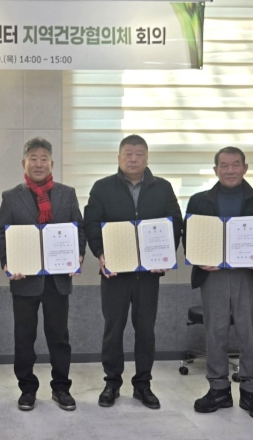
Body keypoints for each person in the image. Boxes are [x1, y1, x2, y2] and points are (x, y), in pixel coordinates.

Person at [84, 134, 182, 410]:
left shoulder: (162, 187)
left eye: (139, 154)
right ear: (119, 158)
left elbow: (175, 223)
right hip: (115, 274)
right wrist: (100, 254)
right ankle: (112, 383)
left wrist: (166, 254)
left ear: (147, 158)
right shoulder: (102, 187)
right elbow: (91, 223)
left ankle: (143, 385)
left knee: (146, 330)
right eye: (128, 154)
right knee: (113, 330)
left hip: (148, 275)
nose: (133, 159)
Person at [185, 146, 253, 421]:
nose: (230, 170)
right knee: (216, 332)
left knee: (250, 332)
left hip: (248, 275)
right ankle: (218, 390)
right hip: (213, 275)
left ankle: (251, 391)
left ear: (245, 168)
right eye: (224, 165)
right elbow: (188, 235)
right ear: (215, 170)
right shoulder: (199, 200)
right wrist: (198, 258)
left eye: (236, 164)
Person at [0, 137, 85, 412]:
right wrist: (7, 262)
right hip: (25, 280)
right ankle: (27, 389)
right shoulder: (11, 197)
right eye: (33, 159)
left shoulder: (67, 194)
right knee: (24, 338)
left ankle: (61, 388)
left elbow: (78, 229)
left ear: (51, 163)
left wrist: (78, 255)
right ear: (24, 163)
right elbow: (1, 232)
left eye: (43, 159)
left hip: (57, 281)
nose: (38, 163)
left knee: (59, 337)